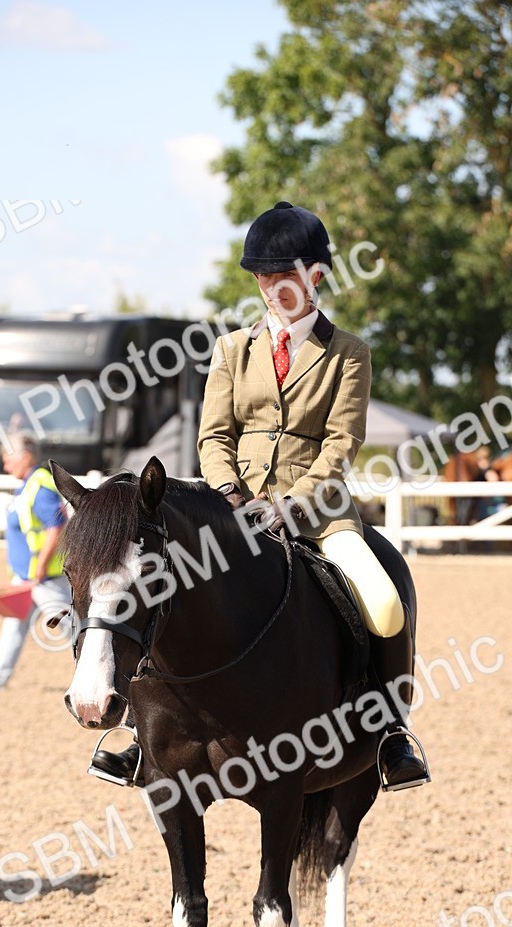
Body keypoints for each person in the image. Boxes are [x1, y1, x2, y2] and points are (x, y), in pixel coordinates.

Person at [95, 200, 429, 789]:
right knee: (156, 585)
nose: (271, 289)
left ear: (315, 276)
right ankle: (135, 735)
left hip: (318, 514)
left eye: (283, 278)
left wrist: (287, 505)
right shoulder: (231, 350)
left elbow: (341, 444)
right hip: (228, 509)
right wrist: (227, 494)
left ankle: (392, 734)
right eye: (263, 279)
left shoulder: (348, 354)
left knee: (384, 601)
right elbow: (213, 435)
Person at [0, 432, 71, 692]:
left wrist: (40, 569)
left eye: (8, 459)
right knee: (13, 625)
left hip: (44, 580)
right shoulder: (27, 485)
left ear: (26, 457)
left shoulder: (39, 485)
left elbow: (55, 528)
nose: (5, 465)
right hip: (29, 577)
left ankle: (110, 677)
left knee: (73, 630)